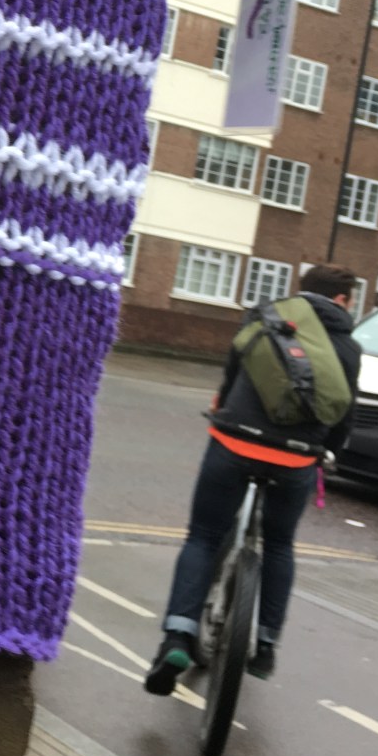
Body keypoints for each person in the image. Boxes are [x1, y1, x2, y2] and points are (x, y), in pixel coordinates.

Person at [144, 263, 362, 696]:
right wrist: (329, 451)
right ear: (342, 300)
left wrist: (223, 411)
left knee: (204, 536)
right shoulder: (348, 346)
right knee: (279, 544)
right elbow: (344, 413)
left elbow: (230, 376)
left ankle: (177, 638)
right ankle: (264, 646)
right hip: (296, 457)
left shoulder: (266, 316)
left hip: (235, 442)